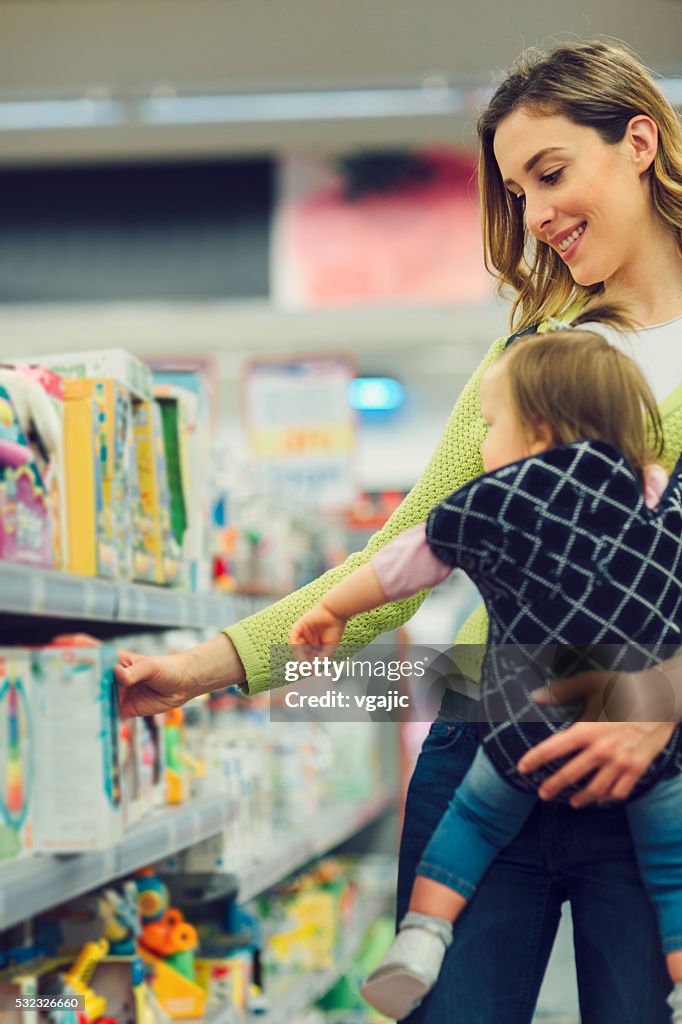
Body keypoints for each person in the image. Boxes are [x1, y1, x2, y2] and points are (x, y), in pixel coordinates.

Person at [116, 41, 682, 1022]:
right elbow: (406, 556)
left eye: (550, 172)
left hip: (654, 772)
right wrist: (203, 666)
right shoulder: (529, 358)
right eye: (515, 191)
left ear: (638, 142)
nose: (535, 214)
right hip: (481, 738)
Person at [288, 322, 682, 1022]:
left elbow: (401, 563)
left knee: (470, 821)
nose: (480, 443)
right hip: (645, 739)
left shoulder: (500, 498)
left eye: (490, 425)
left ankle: (421, 937)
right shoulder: (657, 493)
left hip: (514, 719)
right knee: (674, 865)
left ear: (535, 433)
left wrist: (331, 610)